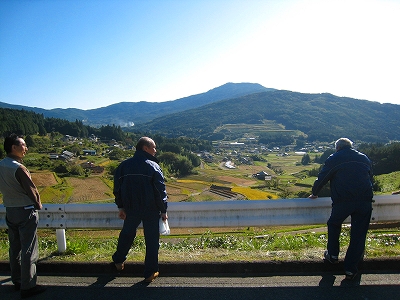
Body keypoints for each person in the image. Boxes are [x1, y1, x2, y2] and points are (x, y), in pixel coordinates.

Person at [309, 137, 373, 280]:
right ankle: (351, 268)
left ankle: (332, 255)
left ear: (338, 148)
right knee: (358, 234)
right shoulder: (364, 158)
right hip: (365, 200)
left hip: (343, 201)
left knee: (334, 223)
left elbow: (323, 177)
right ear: (351, 146)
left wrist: (315, 193)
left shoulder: (335, 158)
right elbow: (370, 178)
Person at [112, 136, 168, 282]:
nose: (155, 151)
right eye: (154, 148)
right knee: (151, 240)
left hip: (130, 208)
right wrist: (163, 210)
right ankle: (150, 272)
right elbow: (160, 191)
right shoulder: (153, 166)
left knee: (127, 235)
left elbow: (117, 189)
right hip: (150, 209)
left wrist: (121, 206)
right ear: (145, 148)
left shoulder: (124, 166)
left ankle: (118, 260)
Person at [0, 134, 46, 298]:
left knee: (15, 246)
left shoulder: (1, 165)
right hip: (25, 210)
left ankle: (17, 280)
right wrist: (38, 204)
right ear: (14, 147)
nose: (26, 148)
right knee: (29, 249)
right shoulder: (18, 168)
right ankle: (28, 285)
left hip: (10, 209)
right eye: (23, 145)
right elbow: (31, 189)